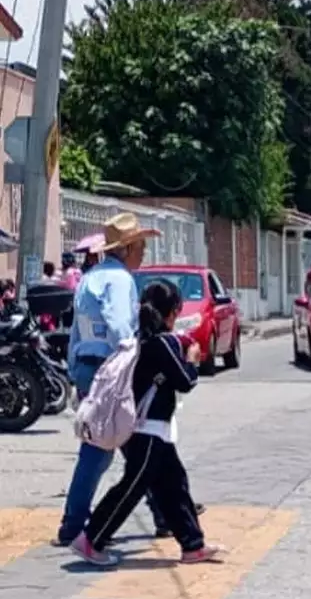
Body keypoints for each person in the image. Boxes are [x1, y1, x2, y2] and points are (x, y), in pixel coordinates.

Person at [57, 214, 199, 546]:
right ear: (129, 247)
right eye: (142, 246)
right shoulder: (120, 281)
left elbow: (78, 331)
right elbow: (121, 328)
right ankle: (76, 524)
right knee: (119, 445)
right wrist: (141, 358)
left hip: (90, 366)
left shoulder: (90, 278)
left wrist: (76, 368)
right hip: (115, 367)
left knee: (130, 443)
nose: (144, 253)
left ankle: (164, 512)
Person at [69, 280, 223, 567]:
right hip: (147, 431)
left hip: (151, 432)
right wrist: (192, 359)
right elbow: (185, 381)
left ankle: (193, 545)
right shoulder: (164, 343)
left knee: (175, 486)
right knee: (131, 488)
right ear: (174, 312)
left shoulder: (144, 340)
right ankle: (91, 539)